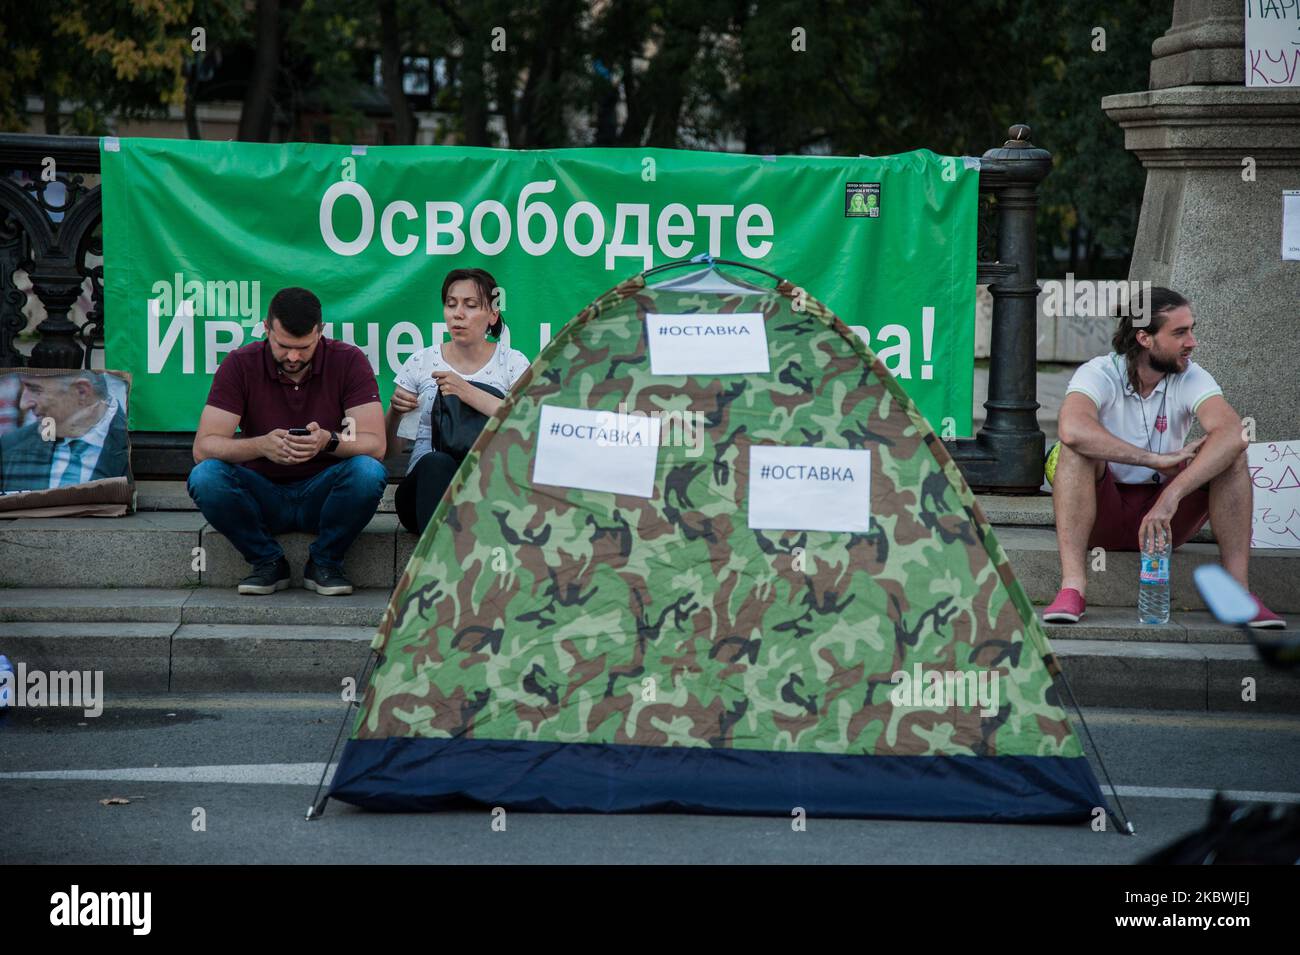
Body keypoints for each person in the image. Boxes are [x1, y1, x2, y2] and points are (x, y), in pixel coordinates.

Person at [1043, 286, 1284, 628]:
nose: (1192, 342)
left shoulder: (1191, 375)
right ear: (1144, 338)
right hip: (1102, 514)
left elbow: (1233, 433)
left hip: (1165, 520)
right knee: (1074, 451)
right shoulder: (1099, 372)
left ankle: (1239, 592)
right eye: (1180, 332)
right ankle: (1072, 589)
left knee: (1230, 455)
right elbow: (1072, 429)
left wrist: (1171, 495)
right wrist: (1151, 459)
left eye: (1192, 330)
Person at [187, 287, 387, 596]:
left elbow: (376, 444)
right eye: (282, 346)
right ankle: (267, 561)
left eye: (304, 347)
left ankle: (325, 562)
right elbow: (203, 448)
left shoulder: (348, 360)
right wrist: (259, 446)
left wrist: (327, 441)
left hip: (325, 493)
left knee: (368, 472)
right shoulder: (240, 363)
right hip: (261, 494)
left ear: (320, 333)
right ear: (266, 329)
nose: (293, 356)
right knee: (205, 476)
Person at [386, 268, 531, 535]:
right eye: (451, 304)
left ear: (492, 314)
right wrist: (394, 412)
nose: (458, 314)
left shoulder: (512, 363)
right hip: (423, 495)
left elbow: (528, 429)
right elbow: (390, 452)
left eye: (471, 305)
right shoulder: (421, 362)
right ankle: (436, 568)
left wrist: (468, 392)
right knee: (436, 463)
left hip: (488, 494)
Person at [0, 370, 129, 491]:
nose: (24, 404)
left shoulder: (131, 439)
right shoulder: (11, 447)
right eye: (24, 388)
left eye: (35, 390)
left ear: (82, 391)